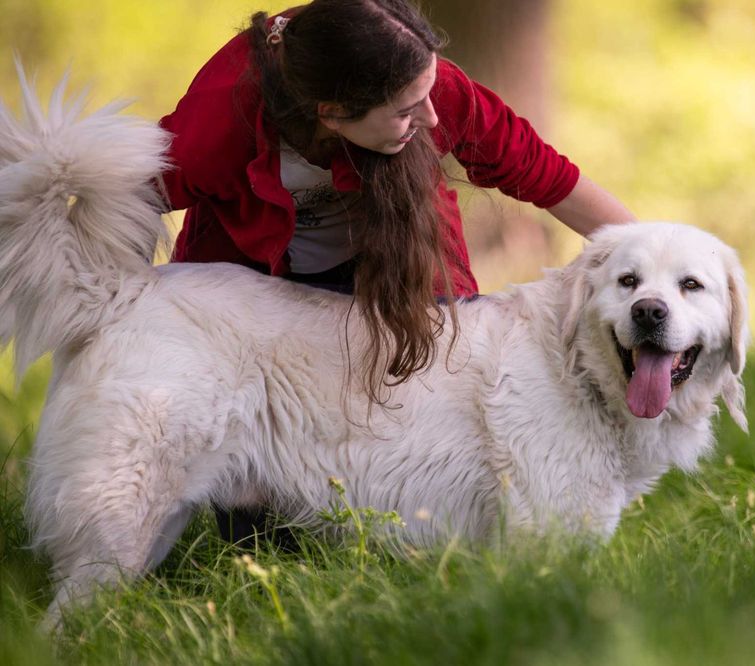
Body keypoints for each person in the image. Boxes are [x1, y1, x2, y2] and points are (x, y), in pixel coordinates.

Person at [157, 0, 636, 546]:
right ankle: (271, 561)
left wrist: (659, 262)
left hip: (399, 264)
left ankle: (417, 541)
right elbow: (125, 198)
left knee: (419, 418)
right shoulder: (221, 115)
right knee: (266, 489)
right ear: (332, 113)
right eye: (408, 110)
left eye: (429, 94)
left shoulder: (425, 84)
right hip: (255, 294)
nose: (432, 117)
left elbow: (545, 175)